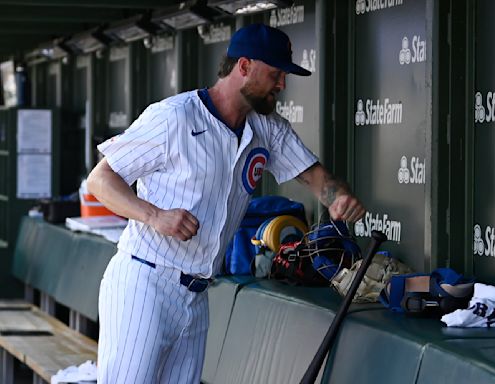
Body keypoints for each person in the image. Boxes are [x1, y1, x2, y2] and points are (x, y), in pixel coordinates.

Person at [87, 23, 365, 384]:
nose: (281, 84)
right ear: (244, 66)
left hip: (198, 294)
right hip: (146, 281)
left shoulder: (267, 128)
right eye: (275, 73)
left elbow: (318, 181)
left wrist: (338, 198)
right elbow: (100, 180)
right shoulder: (175, 116)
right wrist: (154, 215)